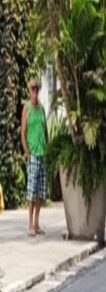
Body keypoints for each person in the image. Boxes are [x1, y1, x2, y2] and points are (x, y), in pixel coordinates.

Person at [20, 78, 46, 236]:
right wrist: (27, 152)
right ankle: (30, 224)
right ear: (29, 90)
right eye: (32, 89)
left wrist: (47, 147)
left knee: (40, 192)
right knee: (31, 192)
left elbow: (45, 130)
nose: (35, 91)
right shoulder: (27, 108)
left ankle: (37, 223)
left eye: (37, 88)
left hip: (42, 153)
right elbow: (22, 133)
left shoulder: (41, 109)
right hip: (33, 155)